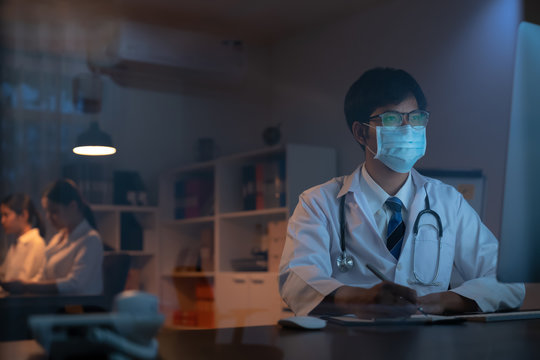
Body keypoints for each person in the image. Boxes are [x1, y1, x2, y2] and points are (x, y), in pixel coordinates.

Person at [279, 67, 525, 319]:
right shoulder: (319, 203)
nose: (409, 128)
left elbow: (508, 280)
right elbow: (296, 278)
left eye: (416, 117)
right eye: (392, 119)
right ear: (361, 132)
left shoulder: (448, 202)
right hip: (349, 345)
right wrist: (357, 299)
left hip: (429, 346)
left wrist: (452, 299)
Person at [1, 179, 103, 295]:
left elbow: (75, 285)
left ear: (73, 206)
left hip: (77, 308)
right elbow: (42, 277)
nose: (49, 217)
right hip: (55, 305)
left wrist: (26, 285)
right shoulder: (57, 239)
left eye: (54, 211)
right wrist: (22, 286)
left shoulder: (90, 239)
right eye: (47, 211)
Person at [0, 193, 46, 282]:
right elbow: (4, 274)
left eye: (6, 215)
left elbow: (22, 281)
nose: (2, 221)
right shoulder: (18, 243)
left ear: (23, 215)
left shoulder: (36, 243)